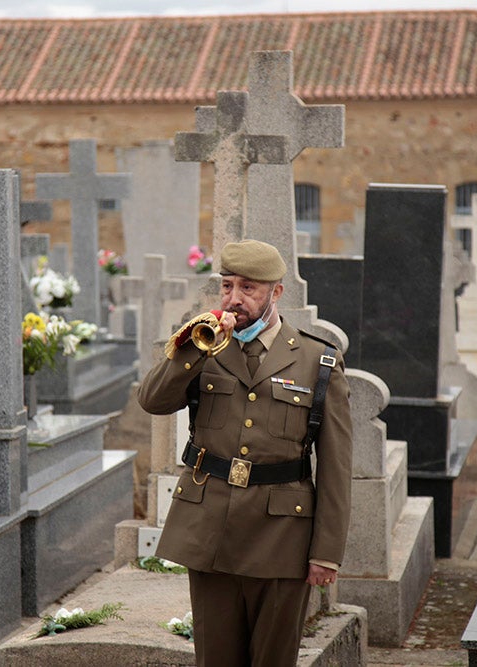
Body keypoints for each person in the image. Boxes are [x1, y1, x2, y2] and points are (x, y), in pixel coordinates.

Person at [138, 239, 353, 666]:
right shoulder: (202, 348)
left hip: (280, 536)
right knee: (215, 657)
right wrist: (193, 351)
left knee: (272, 658)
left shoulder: (317, 361)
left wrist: (326, 552)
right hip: (209, 527)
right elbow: (153, 401)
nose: (235, 299)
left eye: (249, 288)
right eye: (227, 285)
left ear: (276, 292)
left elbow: (335, 466)